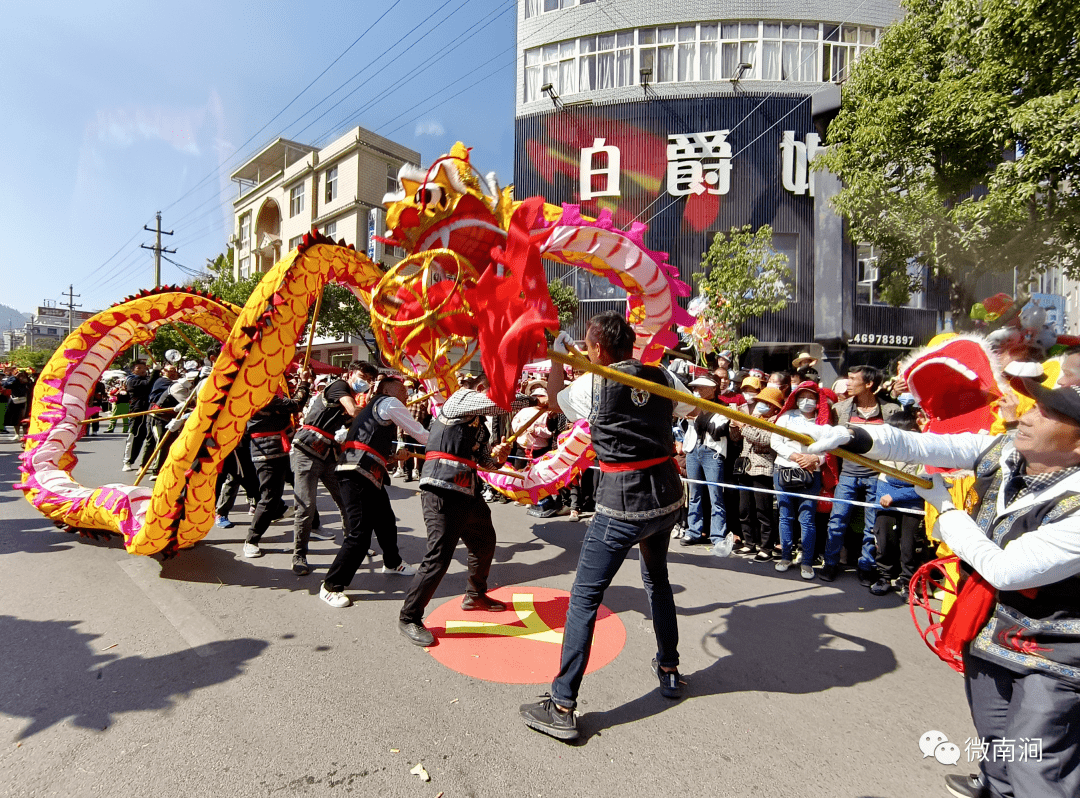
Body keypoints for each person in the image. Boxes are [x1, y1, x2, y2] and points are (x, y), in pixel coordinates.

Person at [804, 379, 1080, 798]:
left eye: (1047, 413)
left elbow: (1007, 570)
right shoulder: (1005, 451)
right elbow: (919, 446)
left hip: (1053, 655)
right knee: (998, 750)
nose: (1024, 415)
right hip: (987, 633)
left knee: (1038, 766)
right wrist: (856, 435)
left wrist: (946, 510)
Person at [519, 313, 697, 741]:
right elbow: (691, 407)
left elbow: (557, 398)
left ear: (597, 349)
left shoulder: (592, 384)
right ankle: (669, 667)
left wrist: (561, 359)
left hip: (622, 504)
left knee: (583, 599)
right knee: (657, 580)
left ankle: (562, 703)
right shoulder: (663, 376)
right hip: (667, 498)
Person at [397, 374, 536, 647]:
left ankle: (475, 594)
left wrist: (500, 455)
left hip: (468, 491)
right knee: (439, 556)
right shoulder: (460, 399)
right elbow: (501, 403)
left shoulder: (480, 427)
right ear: (484, 388)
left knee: (484, 542)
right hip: (441, 487)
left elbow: (487, 463)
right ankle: (409, 616)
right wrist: (533, 400)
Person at [319, 375, 429, 607]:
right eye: (403, 392)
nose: (407, 396)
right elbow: (420, 433)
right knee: (359, 535)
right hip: (355, 473)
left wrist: (394, 457)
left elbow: (372, 447)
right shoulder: (389, 403)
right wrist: (444, 443)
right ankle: (331, 586)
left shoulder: (376, 409)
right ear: (389, 390)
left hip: (368, 475)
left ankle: (392, 562)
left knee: (386, 521)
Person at [285, 362, 371, 575]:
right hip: (307, 450)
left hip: (330, 455)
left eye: (369, 380)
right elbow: (353, 410)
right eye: (362, 376)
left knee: (346, 502)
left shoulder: (351, 393)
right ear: (351, 374)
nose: (365, 382)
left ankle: (353, 547)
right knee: (305, 506)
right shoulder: (338, 386)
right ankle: (299, 554)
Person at [821, 365, 902, 584]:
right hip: (847, 475)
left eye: (852, 378)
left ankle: (866, 566)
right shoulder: (840, 409)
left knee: (871, 526)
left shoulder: (891, 410)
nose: (847, 383)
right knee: (837, 522)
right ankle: (830, 563)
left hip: (877, 477)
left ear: (869, 384)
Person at [242, 372, 312, 559]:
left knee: (303, 485)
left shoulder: (267, 392)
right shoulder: (260, 395)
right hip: (267, 451)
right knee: (270, 497)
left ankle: (314, 524)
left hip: (283, 448)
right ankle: (252, 539)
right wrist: (304, 383)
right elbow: (296, 405)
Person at [770, 381, 832, 578]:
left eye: (811, 397)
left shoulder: (824, 421)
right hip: (784, 470)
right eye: (802, 396)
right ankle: (786, 557)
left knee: (807, 519)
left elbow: (830, 449)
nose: (806, 401)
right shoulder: (787, 416)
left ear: (817, 399)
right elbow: (775, 441)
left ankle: (807, 561)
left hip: (810, 474)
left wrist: (815, 459)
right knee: (785, 516)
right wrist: (795, 456)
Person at [730, 385, 784, 557]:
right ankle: (749, 542)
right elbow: (736, 439)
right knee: (744, 509)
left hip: (763, 469)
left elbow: (763, 440)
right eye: (760, 401)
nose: (761, 405)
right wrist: (734, 426)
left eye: (766, 403)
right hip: (745, 467)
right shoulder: (752, 417)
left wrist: (743, 426)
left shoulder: (776, 421)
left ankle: (766, 547)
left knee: (763, 510)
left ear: (775, 407)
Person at [680, 375, 730, 553]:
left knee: (715, 495)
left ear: (713, 388)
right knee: (694, 494)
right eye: (696, 387)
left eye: (702, 387)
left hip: (712, 452)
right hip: (693, 450)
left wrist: (697, 419)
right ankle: (693, 530)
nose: (698, 390)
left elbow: (717, 431)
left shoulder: (723, 407)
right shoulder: (692, 404)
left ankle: (717, 535)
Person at [122, 359, 159, 471]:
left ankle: (152, 462)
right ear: (133, 370)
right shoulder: (131, 381)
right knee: (135, 438)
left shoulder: (149, 378)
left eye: (144, 368)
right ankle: (128, 462)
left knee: (153, 438)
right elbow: (147, 385)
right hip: (138, 413)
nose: (142, 370)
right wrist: (155, 372)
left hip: (151, 412)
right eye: (139, 368)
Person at [3, 369, 32, 441]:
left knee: (24, 419)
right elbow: (6, 385)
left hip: (25, 402)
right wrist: (14, 378)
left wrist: (26, 380)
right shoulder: (14, 381)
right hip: (14, 401)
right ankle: (17, 434)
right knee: (15, 419)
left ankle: (25, 435)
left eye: (23, 375)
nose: (21, 377)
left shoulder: (28, 382)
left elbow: (31, 388)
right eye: (20, 375)